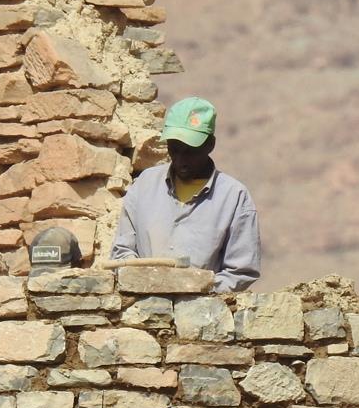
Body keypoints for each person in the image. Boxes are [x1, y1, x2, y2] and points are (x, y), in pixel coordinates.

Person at [109, 96, 261, 292]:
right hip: (144, 312)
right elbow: (122, 251)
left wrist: (197, 287)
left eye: (190, 151)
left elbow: (241, 270)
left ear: (210, 145)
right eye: (175, 149)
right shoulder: (144, 185)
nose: (181, 159)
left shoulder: (234, 196)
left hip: (203, 313)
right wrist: (146, 281)